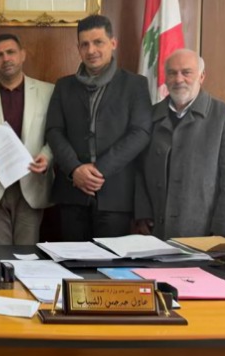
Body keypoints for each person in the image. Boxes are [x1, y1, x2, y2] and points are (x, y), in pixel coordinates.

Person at [45, 14, 152, 241]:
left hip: (116, 195)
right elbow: (54, 131)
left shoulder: (135, 84)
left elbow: (141, 133)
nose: (91, 50)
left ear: (113, 43)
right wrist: (75, 170)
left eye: (98, 42)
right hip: (72, 192)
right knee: (72, 261)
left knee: (110, 262)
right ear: (78, 48)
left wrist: (98, 170)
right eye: (84, 44)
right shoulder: (64, 85)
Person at [135, 49, 225, 239]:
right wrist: (142, 214)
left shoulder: (223, 116)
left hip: (203, 233)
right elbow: (139, 168)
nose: (178, 79)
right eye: (172, 73)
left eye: (186, 72)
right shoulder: (150, 115)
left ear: (201, 76)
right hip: (155, 232)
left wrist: (220, 231)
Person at [0, 34, 54, 245]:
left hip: (31, 185)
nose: (6, 59)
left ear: (22, 55)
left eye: (11, 52)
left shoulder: (48, 92)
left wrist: (46, 157)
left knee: (26, 256)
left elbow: (56, 135)